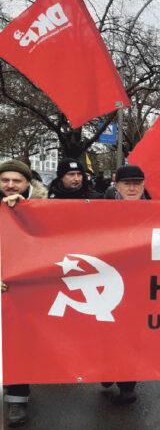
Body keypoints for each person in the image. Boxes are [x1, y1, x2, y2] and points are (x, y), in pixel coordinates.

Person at [0, 160, 47, 428]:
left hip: (31, 286)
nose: (9, 185)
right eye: (4, 180)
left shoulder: (45, 207)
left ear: (27, 183)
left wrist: (24, 212)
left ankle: (17, 398)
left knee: (21, 342)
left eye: (16, 180)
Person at [100, 164, 151, 405]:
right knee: (107, 331)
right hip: (107, 280)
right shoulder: (97, 209)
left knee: (133, 334)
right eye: (127, 183)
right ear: (116, 185)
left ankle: (128, 383)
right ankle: (108, 369)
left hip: (142, 283)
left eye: (137, 183)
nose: (132, 187)